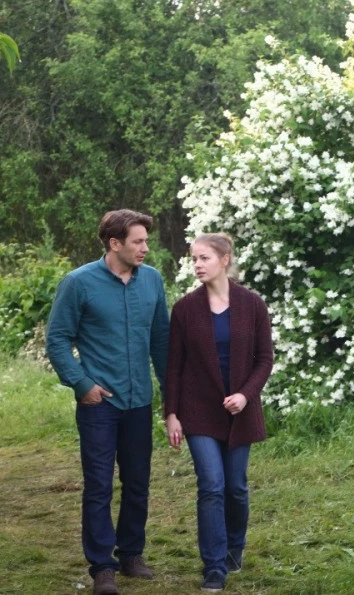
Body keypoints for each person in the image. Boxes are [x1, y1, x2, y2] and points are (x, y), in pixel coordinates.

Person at [46, 209, 170, 595]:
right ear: (114, 243)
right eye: (138, 241)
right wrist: (82, 384)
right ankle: (102, 566)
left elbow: (161, 342)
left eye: (146, 241)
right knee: (98, 485)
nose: (145, 248)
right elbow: (57, 339)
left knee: (138, 481)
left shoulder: (152, 280)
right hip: (99, 404)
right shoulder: (78, 283)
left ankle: (131, 554)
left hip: (139, 401)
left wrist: (172, 398)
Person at [163, 233, 273, 593]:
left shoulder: (252, 305)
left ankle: (233, 548)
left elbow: (264, 359)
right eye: (193, 258)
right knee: (211, 485)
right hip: (198, 411)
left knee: (235, 488)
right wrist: (171, 413)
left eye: (204, 258)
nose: (197, 265)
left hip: (240, 411)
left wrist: (245, 395)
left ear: (225, 259)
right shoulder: (185, 309)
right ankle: (213, 566)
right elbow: (174, 366)